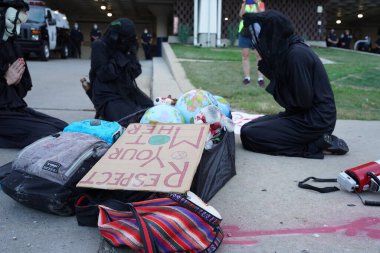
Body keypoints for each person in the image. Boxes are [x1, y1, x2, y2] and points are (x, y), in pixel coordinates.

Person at [240, 10, 349, 159]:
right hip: (303, 115)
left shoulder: (296, 55)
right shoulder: (289, 50)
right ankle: (314, 140)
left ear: (273, 34)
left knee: (251, 135)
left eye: (263, 36)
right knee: (247, 127)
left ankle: (316, 144)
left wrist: (274, 76)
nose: (260, 41)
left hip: (315, 121)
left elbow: (301, 102)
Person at [0, 1, 68, 149]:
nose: (25, 16)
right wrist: (6, 81)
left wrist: (17, 81)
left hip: (13, 108)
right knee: (49, 134)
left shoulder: (12, 43)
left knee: (62, 127)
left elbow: (23, 86)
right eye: (21, 12)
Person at [85, 18, 153, 121]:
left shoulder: (126, 46)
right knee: (128, 119)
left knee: (149, 110)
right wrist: (121, 58)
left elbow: (136, 70)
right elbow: (104, 74)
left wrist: (131, 54)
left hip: (126, 91)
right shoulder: (99, 45)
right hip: (106, 95)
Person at [238, 0, 265, 86]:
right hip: (244, 32)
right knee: (245, 55)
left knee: (259, 56)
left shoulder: (260, 3)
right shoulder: (244, 3)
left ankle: (260, 79)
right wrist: (244, 4)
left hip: (256, 32)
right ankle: (247, 78)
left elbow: (262, 15)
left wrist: (256, 4)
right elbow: (241, 15)